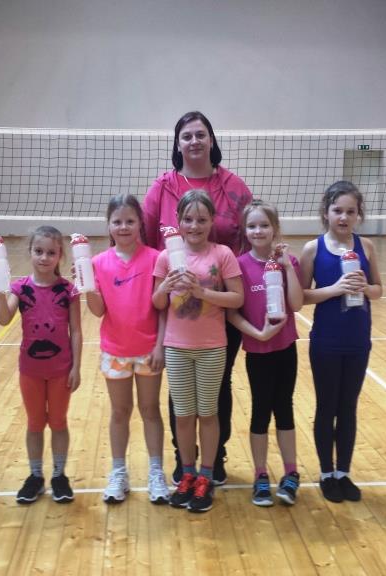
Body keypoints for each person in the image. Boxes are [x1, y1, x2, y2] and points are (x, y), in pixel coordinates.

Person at [143, 110, 251, 484]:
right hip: (176, 310)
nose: (194, 141)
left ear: (211, 140)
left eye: (200, 134)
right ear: (177, 144)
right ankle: (184, 460)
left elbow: (254, 233)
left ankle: (214, 460)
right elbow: (145, 242)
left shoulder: (233, 186)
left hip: (222, 306)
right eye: (187, 135)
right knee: (182, 393)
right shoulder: (162, 187)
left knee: (218, 385)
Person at [153, 190, 243, 513]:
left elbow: (237, 298)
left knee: (208, 413)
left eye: (202, 219)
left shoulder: (223, 254)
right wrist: (165, 287)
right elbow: (157, 304)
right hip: (176, 348)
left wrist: (201, 292)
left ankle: (206, 475)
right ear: (178, 221)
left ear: (212, 221)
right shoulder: (166, 257)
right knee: (183, 414)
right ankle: (187, 473)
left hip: (211, 347)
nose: (194, 226)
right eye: (188, 219)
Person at [299, 181, 382, 504]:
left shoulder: (366, 247)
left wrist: (364, 287)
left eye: (351, 211)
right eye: (338, 210)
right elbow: (301, 296)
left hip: (358, 340)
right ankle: (326, 473)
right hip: (326, 341)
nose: (344, 217)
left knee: (348, 407)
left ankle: (343, 473)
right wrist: (336, 288)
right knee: (327, 406)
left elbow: (378, 290)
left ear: (359, 214)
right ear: (326, 212)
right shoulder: (313, 248)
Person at [87, 194, 170, 504]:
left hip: (149, 349)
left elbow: (163, 307)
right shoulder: (97, 263)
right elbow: (98, 310)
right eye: (117, 221)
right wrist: (87, 288)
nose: (123, 227)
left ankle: (156, 473)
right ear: (108, 225)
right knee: (120, 412)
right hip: (115, 351)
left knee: (150, 410)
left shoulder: (156, 258)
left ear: (140, 224)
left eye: (130, 221)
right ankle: (119, 472)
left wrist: (160, 346)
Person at [0, 226, 82, 504]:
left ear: (60, 256)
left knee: (58, 422)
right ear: (30, 252)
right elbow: (3, 319)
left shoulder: (68, 290)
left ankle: (59, 475)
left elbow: (76, 331)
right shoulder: (20, 288)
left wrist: (76, 367)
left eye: (51, 253)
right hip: (30, 370)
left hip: (61, 370)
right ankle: (35, 476)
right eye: (39, 251)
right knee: (34, 423)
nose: (44, 257)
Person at [228, 200, 304, 507]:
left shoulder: (288, 261)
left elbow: (296, 304)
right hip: (258, 349)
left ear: (275, 229)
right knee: (260, 411)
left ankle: (291, 472)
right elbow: (232, 312)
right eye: (252, 226)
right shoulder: (238, 265)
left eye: (264, 225)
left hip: (286, 348)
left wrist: (287, 266)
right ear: (245, 231)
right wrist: (257, 333)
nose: (258, 231)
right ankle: (260, 474)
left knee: (284, 408)